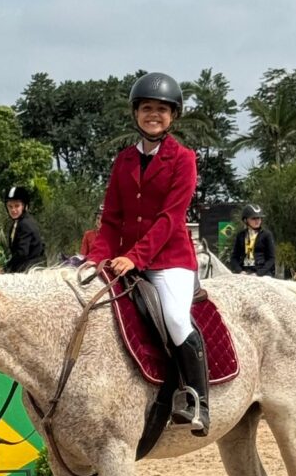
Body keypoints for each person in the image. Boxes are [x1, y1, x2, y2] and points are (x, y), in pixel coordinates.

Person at [87, 71, 209, 436]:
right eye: (146, 108)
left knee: (174, 317)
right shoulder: (123, 160)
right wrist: (94, 261)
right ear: (135, 113)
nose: (152, 115)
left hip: (169, 259)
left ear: (172, 116)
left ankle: (197, 399)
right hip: (124, 258)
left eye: (161, 109)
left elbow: (169, 218)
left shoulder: (184, 158)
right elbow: (111, 219)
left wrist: (135, 257)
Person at [4, 186, 45, 273]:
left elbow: (22, 253)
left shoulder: (25, 224)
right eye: (10, 206)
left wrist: (5, 268)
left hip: (31, 271)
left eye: (16, 206)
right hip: (25, 268)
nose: (13, 210)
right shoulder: (18, 223)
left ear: (24, 206)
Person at [229, 204, 276, 277]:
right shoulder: (240, 236)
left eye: (259, 218)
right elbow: (234, 257)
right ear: (245, 220)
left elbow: (271, 259)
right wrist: (240, 271)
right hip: (244, 273)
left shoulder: (267, 235)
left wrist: (258, 273)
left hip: (262, 273)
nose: (257, 221)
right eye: (253, 218)